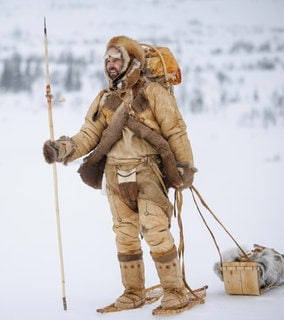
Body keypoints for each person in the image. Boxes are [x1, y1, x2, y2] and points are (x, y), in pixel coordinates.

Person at [43, 35, 196, 311]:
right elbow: (88, 134)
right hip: (114, 176)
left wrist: (184, 166)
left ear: (132, 62)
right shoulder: (104, 100)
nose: (110, 64)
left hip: (148, 172)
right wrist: (62, 149)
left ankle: (174, 291)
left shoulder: (153, 94)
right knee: (124, 234)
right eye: (107, 59)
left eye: (116, 59)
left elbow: (175, 130)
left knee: (155, 230)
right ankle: (133, 292)